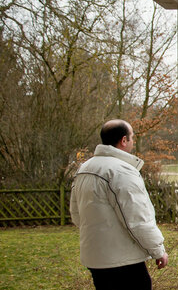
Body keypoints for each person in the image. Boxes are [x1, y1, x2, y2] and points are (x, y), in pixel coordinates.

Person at [70, 119, 168, 290]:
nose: (133, 142)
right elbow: (137, 219)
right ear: (124, 140)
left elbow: (76, 213)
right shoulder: (120, 171)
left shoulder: (84, 168)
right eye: (132, 138)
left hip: (96, 259)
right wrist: (158, 250)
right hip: (123, 262)